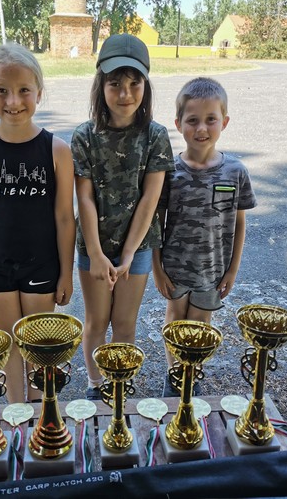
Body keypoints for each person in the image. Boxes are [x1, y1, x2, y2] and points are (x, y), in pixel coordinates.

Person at [0, 43, 75, 404]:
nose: (13, 101)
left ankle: (44, 418)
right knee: (9, 346)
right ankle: (16, 416)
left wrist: (67, 273)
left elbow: (64, 217)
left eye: (24, 90)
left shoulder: (57, 150)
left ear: (39, 92)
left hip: (41, 263)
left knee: (38, 349)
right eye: (2, 90)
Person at [72, 34, 174, 400]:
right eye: (115, 83)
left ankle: (119, 385)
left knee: (125, 323)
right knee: (97, 321)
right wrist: (97, 254)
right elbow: (84, 198)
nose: (125, 94)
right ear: (101, 85)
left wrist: (129, 253)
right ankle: (96, 385)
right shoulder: (84, 136)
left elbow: (151, 197)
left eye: (135, 84)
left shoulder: (155, 136)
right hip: (94, 245)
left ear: (146, 86)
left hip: (139, 245)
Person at [153, 77, 257, 397]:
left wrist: (232, 270)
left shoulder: (235, 171)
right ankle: (175, 376)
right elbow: (156, 222)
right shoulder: (168, 172)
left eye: (211, 119)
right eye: (192, 120)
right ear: (178, 124)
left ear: (224, 122)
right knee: (175, 321)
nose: (201, 128)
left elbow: (239, 223)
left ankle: (191, 374)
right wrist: (157, 269)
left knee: (199, 325)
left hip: (212, 269)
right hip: (174, 267)